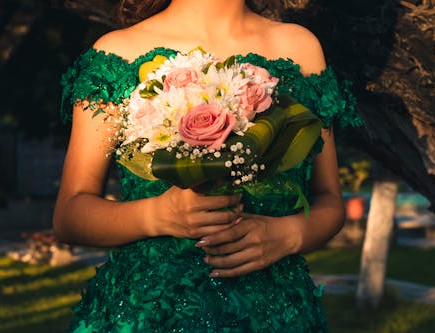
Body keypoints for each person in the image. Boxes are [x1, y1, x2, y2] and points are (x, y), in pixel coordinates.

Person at [54, 0, 362, 331]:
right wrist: (156, 216)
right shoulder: (119, 54)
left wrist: (289, 234)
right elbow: (70, 215)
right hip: (146, 315)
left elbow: (330, 200)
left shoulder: (299, 48)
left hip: (276, 313)